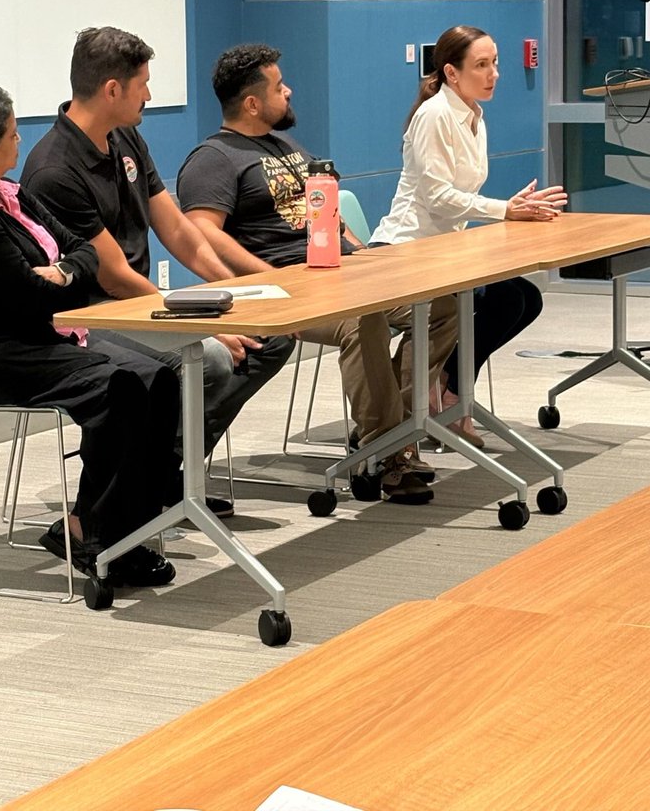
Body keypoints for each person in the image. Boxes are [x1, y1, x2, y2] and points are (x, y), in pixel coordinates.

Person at [20, 27, 294, 518]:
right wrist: (195, 325)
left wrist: (232, 290)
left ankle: (166, 470)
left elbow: (177, 229)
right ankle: (151, 481)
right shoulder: (54, 170)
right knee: (207, 359)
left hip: (137, 304)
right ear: (113, 90)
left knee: (269, 334)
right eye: (143, 84)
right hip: (91, 313)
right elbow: (113, 275)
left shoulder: (125, 136)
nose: (149, 95)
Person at [0, 84, 178, 587]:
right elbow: (36, 299)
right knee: (121, 388)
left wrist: (61, 271)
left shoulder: (10, 193)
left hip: (36, 338)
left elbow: (84, 250)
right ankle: (98, 536)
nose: (21, 141)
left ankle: (120, 524)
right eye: (13, 135)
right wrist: (65, 278)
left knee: (158, 377)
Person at [175, 44, 460, 505]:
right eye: (278, 86)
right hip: (290, 288)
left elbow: (328, 212)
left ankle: (393, 431)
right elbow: (202, 232)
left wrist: (365, 256)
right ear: (252, 103)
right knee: (363, 320)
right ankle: (390, 455)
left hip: (342, 272)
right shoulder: (214, 158)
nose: (288, 91)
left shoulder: (287, 146)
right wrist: (272, 278)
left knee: (441, 308)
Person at [369, 25, 568, 448]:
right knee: (504, 300)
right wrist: (505, 210)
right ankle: (439, 399)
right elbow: (438, 198)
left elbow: (460, 196)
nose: (493, 73)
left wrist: (512, 208)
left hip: (443, 253)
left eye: (495, 63)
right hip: (403, 251)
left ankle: (451, 388)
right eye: (481, 65)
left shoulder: (474, 115)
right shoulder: (435, 115)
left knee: (524, 297)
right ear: (451, 73)